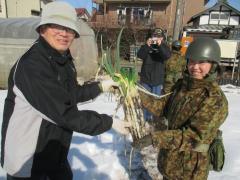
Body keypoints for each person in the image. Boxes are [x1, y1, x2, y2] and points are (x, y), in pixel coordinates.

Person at [1, 2, 130, 180]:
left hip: (53, 152)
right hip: (28, 160)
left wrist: (100, 87)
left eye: (68, 28)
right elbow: (64, 113)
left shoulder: (62, 59)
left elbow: (70, 94)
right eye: (56, 26)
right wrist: (109, 123)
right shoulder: (33, 66)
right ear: (42, 29)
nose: (63, 33)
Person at [133, 37, 228, 180]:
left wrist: (155, 138)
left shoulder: (214, 99)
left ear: (213, 65)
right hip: (169, 163)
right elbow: (163, 107)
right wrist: (135, 94)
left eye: (201, 62)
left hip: (188, 171)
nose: (195, 67)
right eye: (192, 61)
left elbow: (193, 137)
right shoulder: (182, 86)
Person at [137, 29, 171, 121]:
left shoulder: (164, 47)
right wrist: (147, 46)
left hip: (157, 80)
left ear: (162, 38)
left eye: (159, 37)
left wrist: (160, 45)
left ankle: (153, 120)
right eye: (154, 36)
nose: (156, 39)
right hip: (146, 79)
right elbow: (140, 55)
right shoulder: (146, 46)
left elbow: (167, 56)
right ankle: (144, 119)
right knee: (145, 101)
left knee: (155, 102)